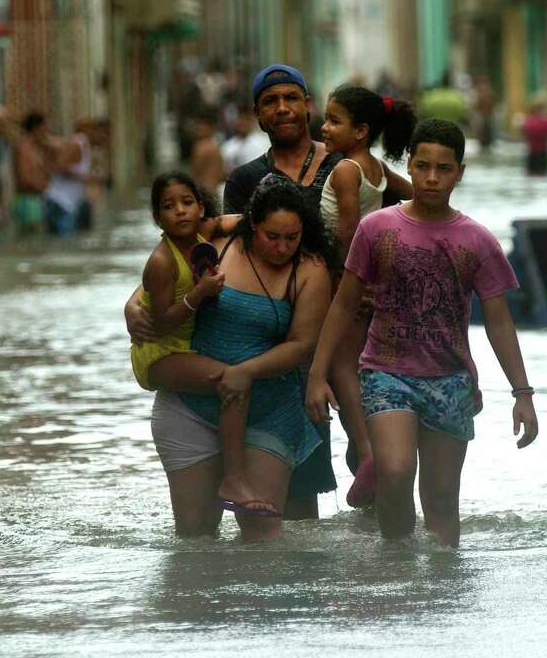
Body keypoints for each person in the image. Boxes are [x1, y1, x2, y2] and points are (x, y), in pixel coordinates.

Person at [305, 119, 540, 547]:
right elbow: (343, 305)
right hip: (385, 372)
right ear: (408, 166)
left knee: (442, 501)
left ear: (460, 173)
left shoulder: (476, 239)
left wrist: (522, 392)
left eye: (444, 169)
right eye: (424, 166)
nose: (432, 178)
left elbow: (499, 321)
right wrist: (317, 375)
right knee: (394, 472)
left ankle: (441, 595)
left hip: (450, 379)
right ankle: (397, 565)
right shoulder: (376, 229)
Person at [216, 63, 410, 518]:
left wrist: (372, 280)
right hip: (279, 338)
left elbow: (411, 203)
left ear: (308, 105)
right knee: (297, 479)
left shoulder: (347, 162)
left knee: (373, 442)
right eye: (270, 101)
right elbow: (229, 252)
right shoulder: (246, 180)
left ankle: (384, 563)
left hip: (352, 316)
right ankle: (303, 573)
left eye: (291, 98)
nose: (282, 108)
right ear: (258, 115)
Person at [148, 175, 334, 540]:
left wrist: (244, 372)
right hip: (192, 407)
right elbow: (163, 278)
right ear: (251, 225)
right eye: (272, 237)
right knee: (195, 537)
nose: (282, 248)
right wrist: (131, 307)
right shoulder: (215, 242)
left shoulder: (311, 269)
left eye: (291, 238)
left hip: (270, 411)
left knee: (262, 536)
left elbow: (301, 345)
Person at [131, 171, 281, 514]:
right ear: (157, 217)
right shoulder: (161, 261)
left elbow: (242, 221)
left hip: (186, 347)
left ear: (201, 207)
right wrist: (199, 294)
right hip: (159, 352)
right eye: (169, 207)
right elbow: (162, 322)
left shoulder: (205, 231)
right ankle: (233, 478)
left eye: (187, 202)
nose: (180, 211)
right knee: (233, 380)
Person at [315, 84, 417, 507]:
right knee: (357, 366)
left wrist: (344, 283)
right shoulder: (373, 168)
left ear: (360, 131)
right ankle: (372, 449)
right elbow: (411, 192)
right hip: (373, 278)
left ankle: (369, 450)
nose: (323, 127)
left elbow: (349, 231)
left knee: (340, 366)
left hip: (349, 279)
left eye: (333, 121)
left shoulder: (344, 171)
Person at [44, 128, 92, 236]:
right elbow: (59, 167)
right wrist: (85, 178)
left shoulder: (82, 145)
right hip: (62, 204)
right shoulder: (79, 142)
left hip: (64, 205)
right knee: (65, 245)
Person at [12, 112, 54, 235]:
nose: (47, 131)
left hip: (35, 200)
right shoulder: (23, 148)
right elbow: (24, 178)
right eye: (44, 128)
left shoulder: (34, 147)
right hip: (27, 201)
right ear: (36, 129)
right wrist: (46, 189)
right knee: (31, 239)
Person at [220, 106, 271, 172]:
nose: (242, 123)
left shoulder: (263, 141)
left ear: (250, 121)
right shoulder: (227, 146)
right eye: (239, 120)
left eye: (245, 120)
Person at [187, 108, 225, 195]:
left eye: (203, 124)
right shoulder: (216, 146)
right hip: (213, 194)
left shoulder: (201, 146)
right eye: (198, 124)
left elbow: (194, 174)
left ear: (211, 127)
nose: (199, 127)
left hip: (203, 195)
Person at [521, 92, 547, 176]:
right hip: (539, 154)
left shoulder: (529, 121)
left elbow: (525, 131)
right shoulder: (546, 121)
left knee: (533, 176)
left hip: (536, 154)